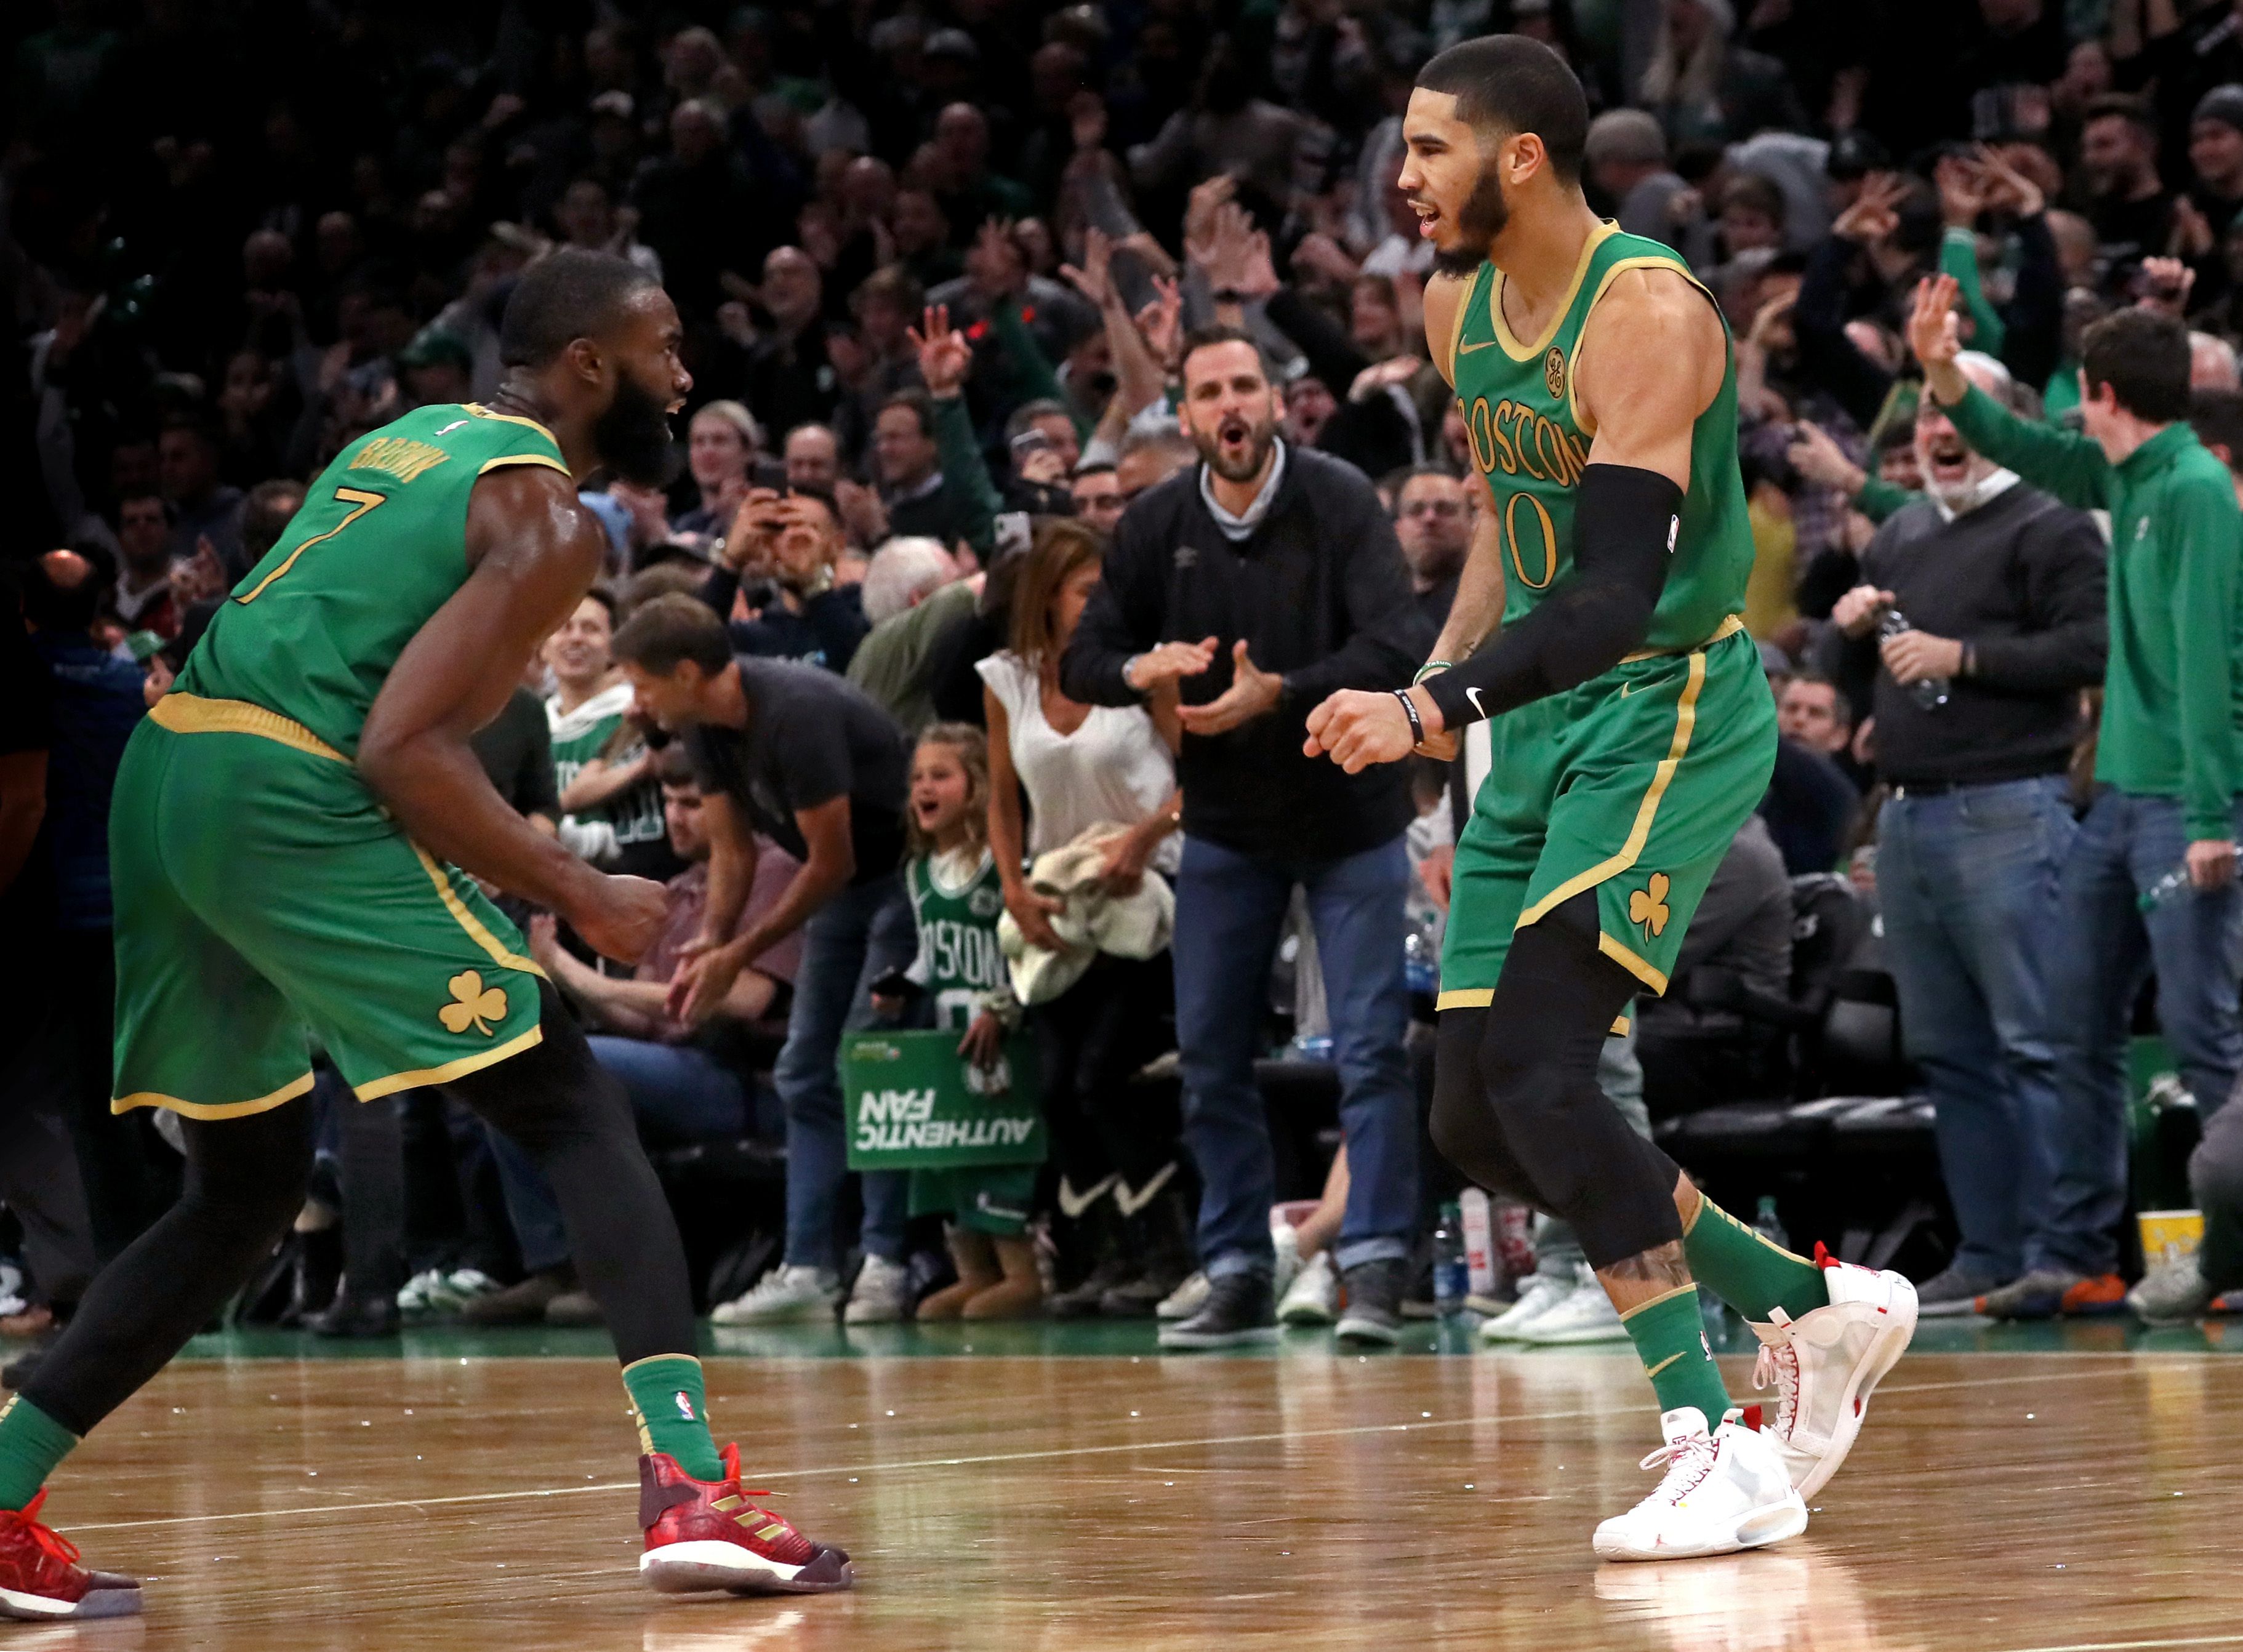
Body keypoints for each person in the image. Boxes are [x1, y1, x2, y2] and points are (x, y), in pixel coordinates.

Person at [0, 251, 854, 1621]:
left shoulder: (405, 439)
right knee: (571, 1099)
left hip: (171, 775)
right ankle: (695, 1486)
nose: (686, 375)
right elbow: (402, 747)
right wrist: (579, 889)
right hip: (285, 785)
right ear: (589, 365)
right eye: (665, 347)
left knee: (240, 1189)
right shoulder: (545, 513)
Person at [1296, 36, 1916, 1562]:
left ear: (1518, 158)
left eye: (1430, 148)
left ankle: (1711, 1440)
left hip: (1668, 704)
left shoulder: (1643, 313)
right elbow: (1521, 532)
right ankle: (1808, 1305)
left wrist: (1423, 701)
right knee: (1473, 1110)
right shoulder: (1453, 307)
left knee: (1550, 1068)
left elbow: (1609, 593)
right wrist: (1448, 695)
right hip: (1540, 720)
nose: (1404, 177)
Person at [1061, 323, 1430, 1352]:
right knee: (1211, 1055)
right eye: (1206, 391)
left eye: (1242, 387)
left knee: (1366, 1051)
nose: (1227, 405)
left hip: (1351, 815)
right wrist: (1134, 672)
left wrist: (1284, 692)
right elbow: (1082, 655)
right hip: (1223, 824)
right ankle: (1234, 1263)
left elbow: (1395, 639)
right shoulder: (1151, 523)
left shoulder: (1340, 497)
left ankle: (1374, 1262)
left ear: (1274, 400)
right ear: (1182, 416)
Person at [1907, 275, 2243, 1320]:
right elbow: (2026, 448)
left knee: (2205, 1035)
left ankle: (2230, 1249)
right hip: (2118, 807)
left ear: (2099, 392)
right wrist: (1934, 371)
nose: (2069, 420)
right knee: (2071, 1020)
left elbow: (2209, 665)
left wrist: (2208, 818)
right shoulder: (2131, 474)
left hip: (2178, 807)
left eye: (2077, 399)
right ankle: (2075, 1256)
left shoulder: (2187, 488)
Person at [1823, 349, 2108, 1315]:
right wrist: (1850, 627)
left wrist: (1965, 655)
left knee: (2037, 1042)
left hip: (2009, 807)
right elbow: (1867, 679)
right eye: (1924, 424)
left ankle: (2069, 1253)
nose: (1938, 434)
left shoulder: (2053, 522)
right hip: (1907, 816)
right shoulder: (1900, 535)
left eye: (1960, 412)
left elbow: (2092, 646)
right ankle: (1989, 1253)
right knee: (1950, 1053)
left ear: (2008, 419)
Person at [611, 594, 919, 1327]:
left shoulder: (794, 712)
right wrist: (711, 940)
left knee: (866, 1063)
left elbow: (831, 860)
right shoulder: (702, 722)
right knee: (803, 1068)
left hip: (901, 883)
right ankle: (808, 1266)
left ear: (687, 671)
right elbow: (732, 848)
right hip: (845, 891)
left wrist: (741, 951)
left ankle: (885, 1259)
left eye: (644, 683)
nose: (636, 702)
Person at [982, 520, 1186, 1317]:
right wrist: (1012, 886)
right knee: (1059, 1091)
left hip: (1144, 895)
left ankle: (1164, 1253)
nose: (1099, 602)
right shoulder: (1006, 680)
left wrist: (1147, 834)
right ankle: (1099, 1258)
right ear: (1047, 598)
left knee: (1102, 1079)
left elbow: (1202, 778)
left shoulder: (1147, 673)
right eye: (1083, 590)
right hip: (1056, 899)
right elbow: (1001, 799)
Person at [877, 724, 1041, 1321]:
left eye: (940, 774)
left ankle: (1023, 1272)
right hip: (946, 1036)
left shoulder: (1005, 864)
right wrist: (897, 989)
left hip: (999, 1033)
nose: (924, 786)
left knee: (995, 1152)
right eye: (917, 776)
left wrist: (1005, 1004)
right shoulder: (920, 872)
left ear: (976, 787)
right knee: (947, 1154)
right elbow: (929, 954)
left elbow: (1029, 947)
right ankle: (975, 1272)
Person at [544, 588, 673, 880]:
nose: (576, 638)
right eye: (564, 627)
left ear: (615, 648)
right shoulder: (532, 722)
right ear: (543, 645)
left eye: (591, 629)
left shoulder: (636, 715)